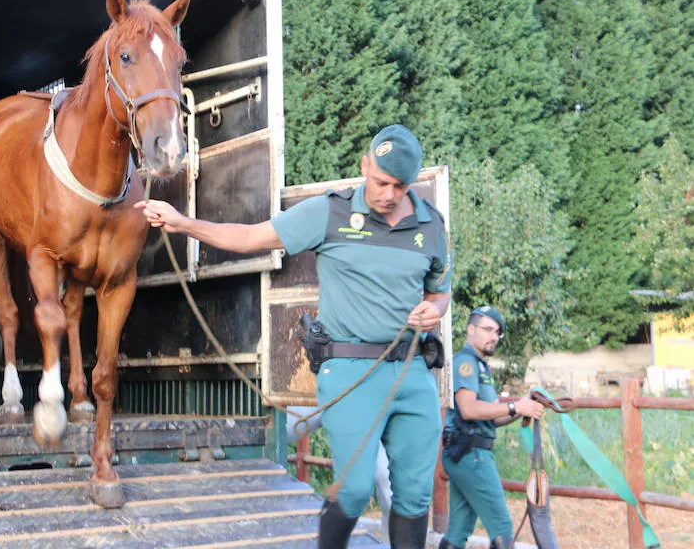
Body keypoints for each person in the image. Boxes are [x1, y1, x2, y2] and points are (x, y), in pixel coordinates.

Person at [137, 124, 452, 548]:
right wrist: (182, 222)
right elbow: (249, 237)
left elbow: (440, 290)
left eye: (399, 186)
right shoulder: (329, 212)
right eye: (380, 181)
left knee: (414, 496)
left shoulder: (431, 225)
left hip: (413, 373)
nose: (388, 194)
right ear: (365, 166)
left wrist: (434, 309)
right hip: (350, 371)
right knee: (356, 489)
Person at [439, 306, 545, 549]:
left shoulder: (481, 366)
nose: (493, 336)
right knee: (502, 528)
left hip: (467, 454)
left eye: (497, 332)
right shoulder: (465, 364)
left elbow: (492, 417)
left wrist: (522, 407)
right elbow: (469, 409)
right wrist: (514, 406)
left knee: (458, 532)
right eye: (487, 329)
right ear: (471, 329)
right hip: (471, 454)